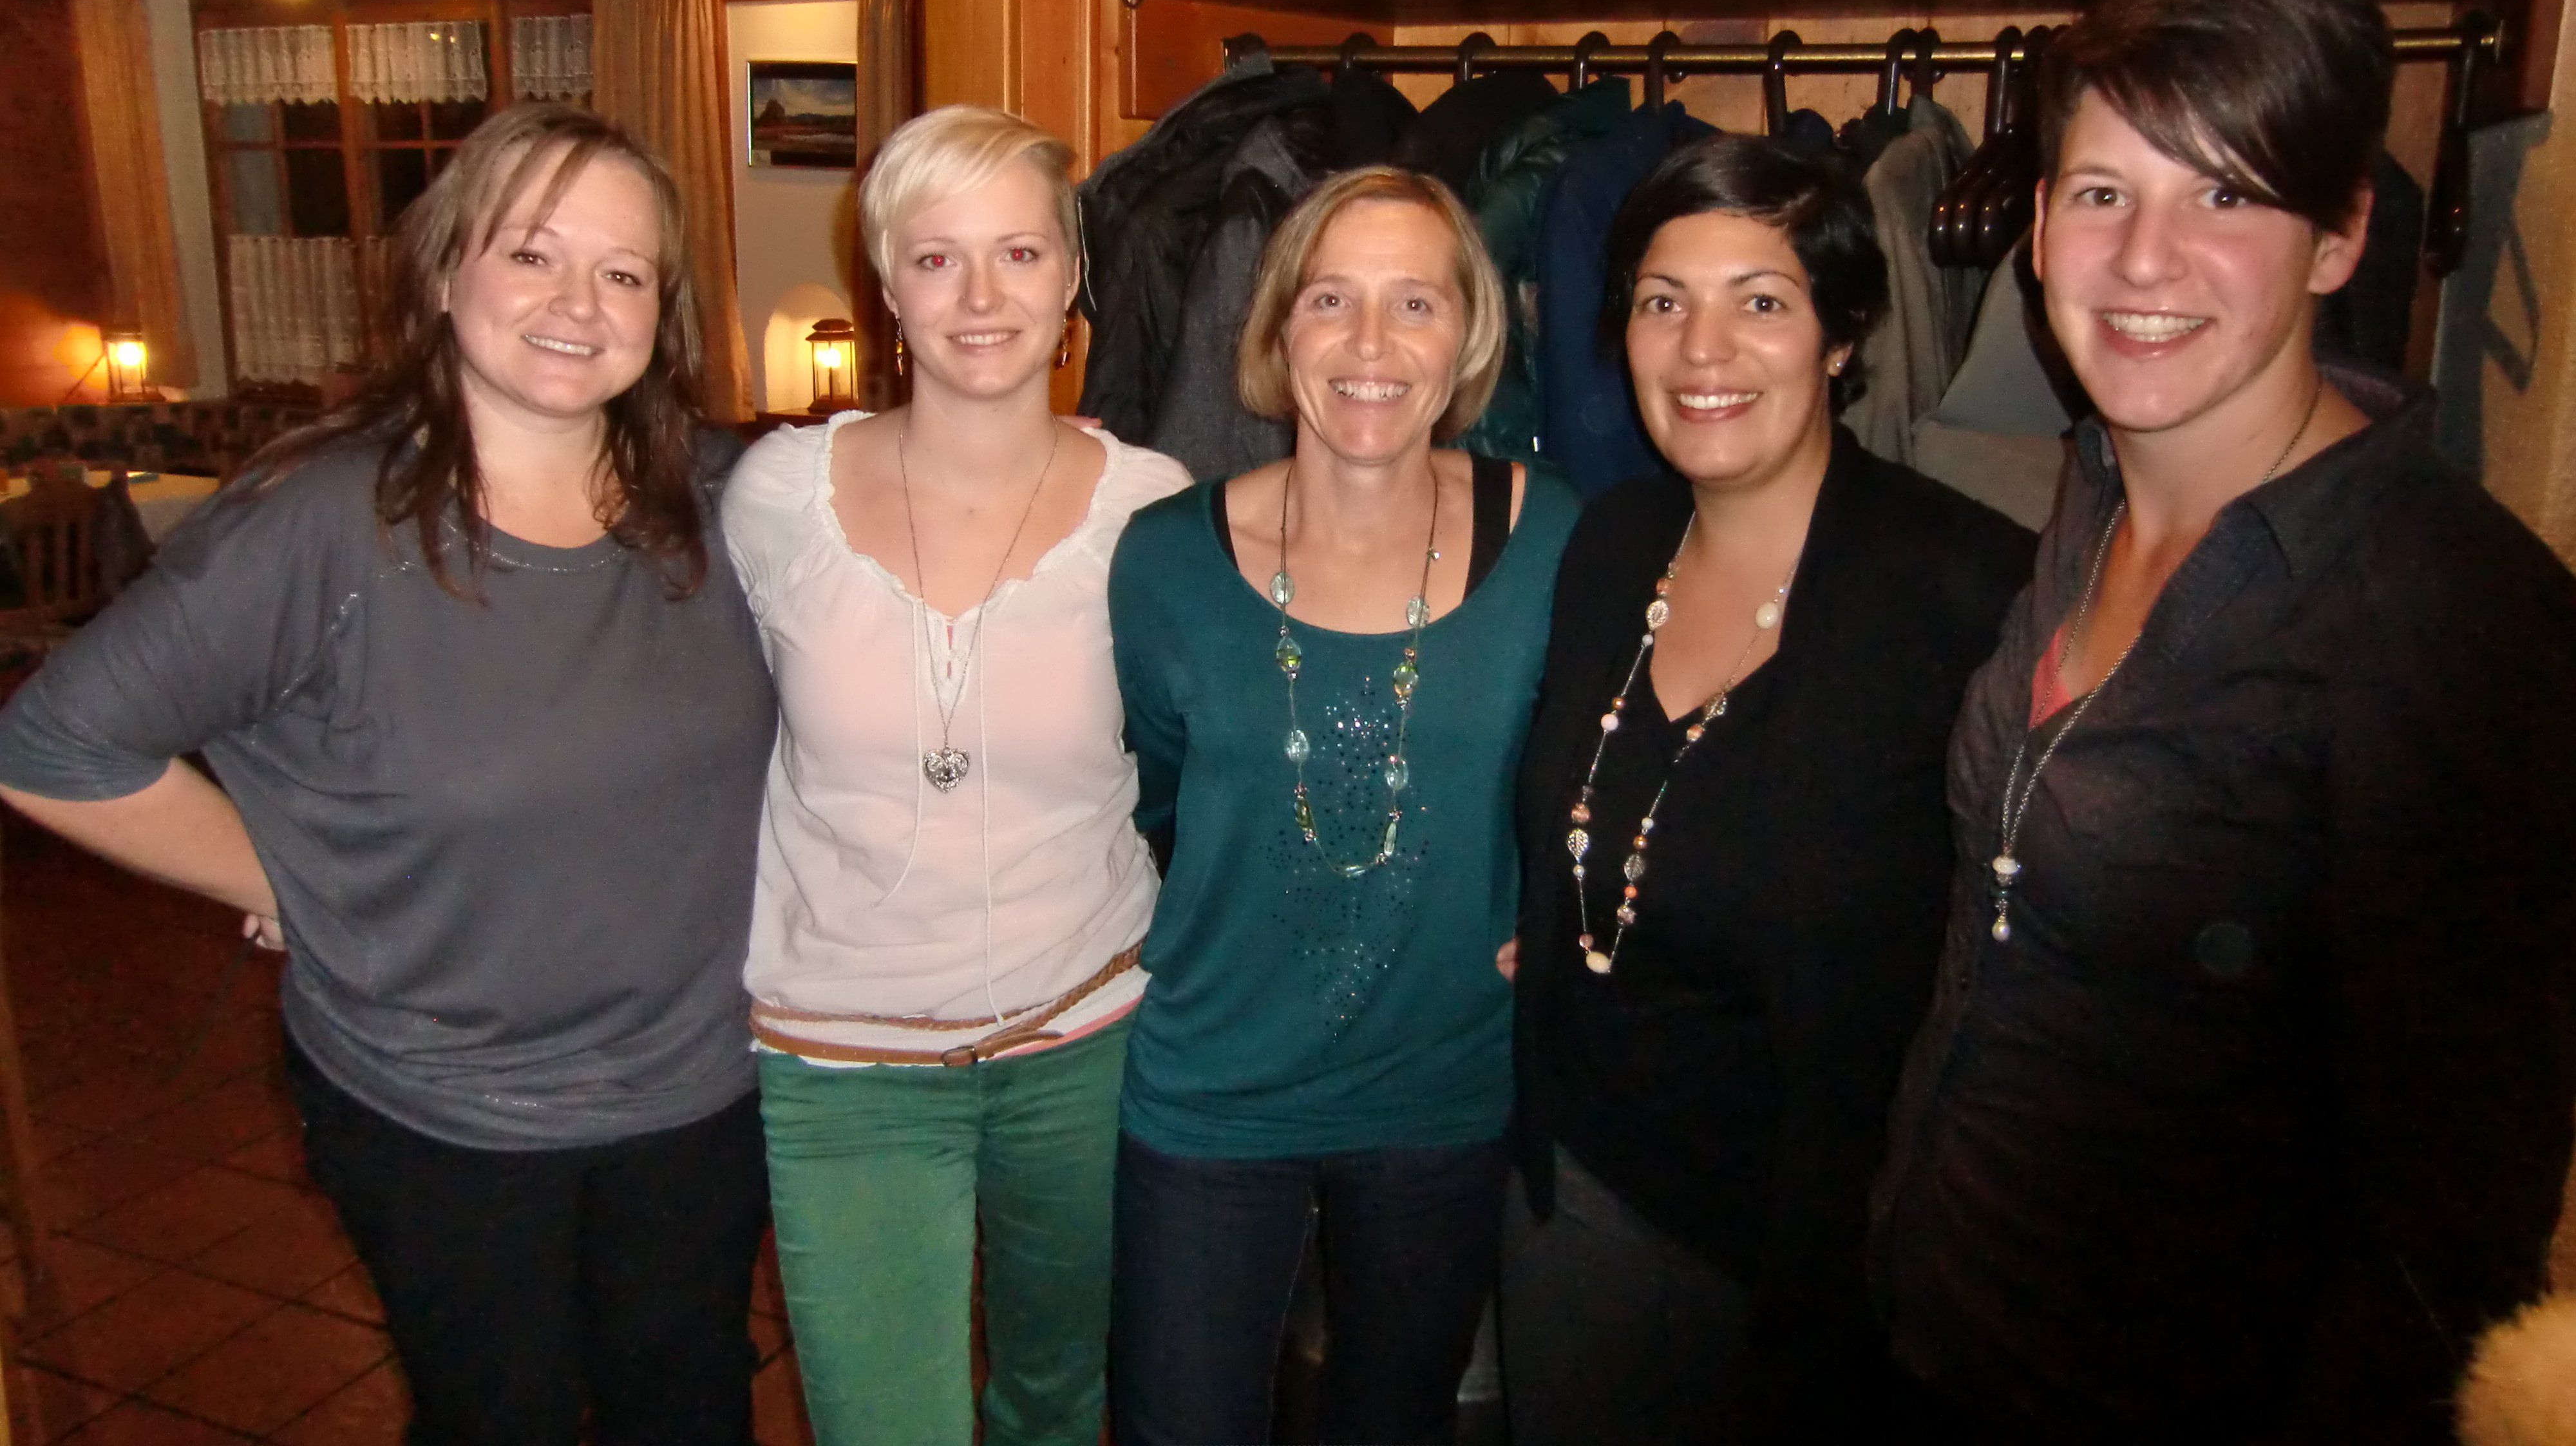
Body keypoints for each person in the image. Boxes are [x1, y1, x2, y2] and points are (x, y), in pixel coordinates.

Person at [1872, 0, 2576, 1445]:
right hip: (1947, 1328)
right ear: (2036, 224)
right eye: (2101, 192)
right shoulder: (2087, 490)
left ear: (2338, 236)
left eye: (2224, 193)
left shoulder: (2444, 615)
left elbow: (2450, 1219)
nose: (2143, 259)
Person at [0, 100, 779, 1443]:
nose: (578, 303)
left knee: (692, 1406)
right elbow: (52, 748)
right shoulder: (326, 521)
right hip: (444, 1116)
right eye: (531, 252)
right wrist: (291, 882)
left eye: (624, 271)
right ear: (443, 269)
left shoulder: (732, 502)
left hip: (701, 1095)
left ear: (664, 312)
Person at [1500, 133, 2032, 1444]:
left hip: (1814, 1247)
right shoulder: (1610, 543)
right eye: (1661, 301)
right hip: (1575, 1190)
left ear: (1840, 336)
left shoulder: (1965, 592)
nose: (1702, 349)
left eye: (1761, 301)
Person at [724, 104, 1190, 1446]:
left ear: (1073, 275)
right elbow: (667, 715)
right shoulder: (777, 496)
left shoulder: (1153, 507)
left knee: (1059, 1403)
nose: (981, 297)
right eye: (937, 258)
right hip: (844, 1062)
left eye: (1019, 253)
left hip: (1088, 1044)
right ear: (887, 285)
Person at [1108, 166, 1579, 1446]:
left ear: (1468, 337)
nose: (1371, 343)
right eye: (1331, 299)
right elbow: (1156, 801)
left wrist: (1558, 904)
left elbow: (1601, 766)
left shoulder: (1554, 538)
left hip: (1444, 1090)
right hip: (1212, 1092)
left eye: (1415, 302)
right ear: (1276, 331)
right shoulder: (1163, 558)